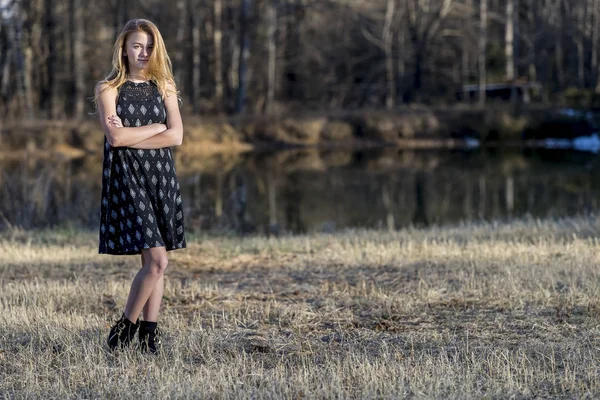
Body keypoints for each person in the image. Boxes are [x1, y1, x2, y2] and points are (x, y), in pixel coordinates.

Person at [93, 18, 186, 354]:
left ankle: (150, 334)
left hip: (160, 178)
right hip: (128, 180)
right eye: (137, 45)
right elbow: (115, 137)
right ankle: (124, 327)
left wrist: (136, 133)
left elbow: (176, 135)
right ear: (124, 49)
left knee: (152, 262)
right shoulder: (108, 89)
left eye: (149, 46)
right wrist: (156, 126)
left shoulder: (165, 85)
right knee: (158, 262)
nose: (143, 52)